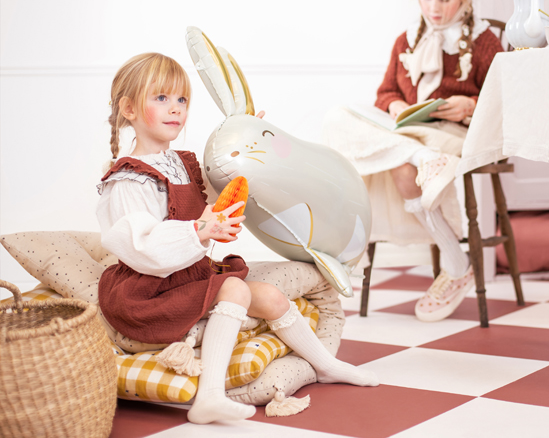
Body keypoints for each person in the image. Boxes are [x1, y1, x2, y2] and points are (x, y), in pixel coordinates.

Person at [97, 52, 378, 425]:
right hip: (147, 290)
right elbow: (141, 247)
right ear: (129, 108)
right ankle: (209, 396)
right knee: (236, 291)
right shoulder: (128, 180)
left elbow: (214, 198)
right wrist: (200, 230)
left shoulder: (181, 162)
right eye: (161, 98)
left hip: (185, 276)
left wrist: (248, 146)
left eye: (181, 100)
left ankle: (325, 364)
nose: (175, 109)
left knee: (273, 297)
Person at [323, 0, 503, 322]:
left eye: (445, 0)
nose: (434, 9)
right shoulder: (406, 39)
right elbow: (385, 92)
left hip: (451, 133)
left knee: (402, 165)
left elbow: (502, 101)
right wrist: (398, 105)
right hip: (409, 137)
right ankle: (454, 254)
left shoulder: (486, 42)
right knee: (339, 115)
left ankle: (455, 264)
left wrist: (470, 105)